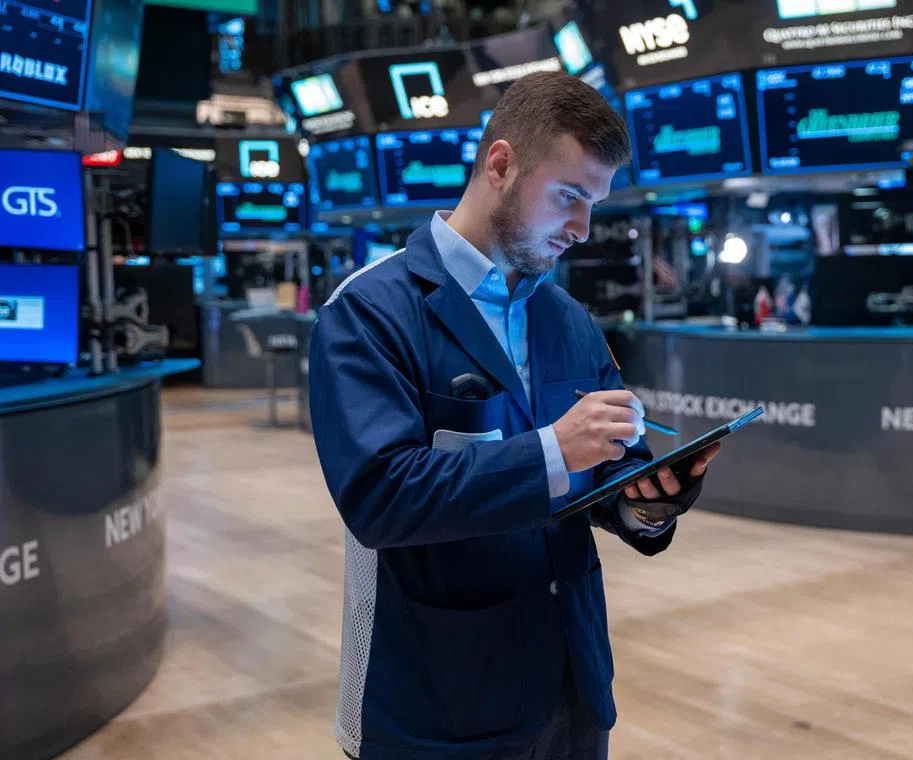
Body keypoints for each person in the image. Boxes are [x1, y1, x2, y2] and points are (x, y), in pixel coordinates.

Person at [308, 70, 720, 760]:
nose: (583, 229)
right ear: (501, 164)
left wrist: (647, 503)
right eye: (569, 197)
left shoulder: (568, 321)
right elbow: (380, 498)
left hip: (573, 687)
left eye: (595, 204)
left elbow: (601, 479)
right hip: (440, 705)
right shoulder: (369, 313)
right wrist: (555, 450)